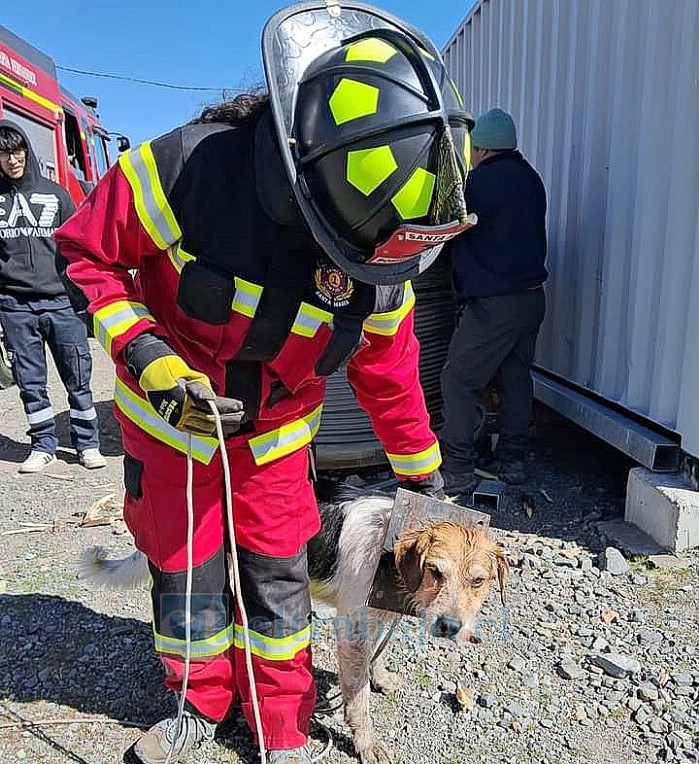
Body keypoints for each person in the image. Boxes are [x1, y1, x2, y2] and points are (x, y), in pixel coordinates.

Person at [54, 5, 474, 763]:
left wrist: (425, 480)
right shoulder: (187, 169)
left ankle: (281, 730)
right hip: (170, 426)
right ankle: (196, 703)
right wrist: (146, 353)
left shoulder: (383, 258)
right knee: (184, 573)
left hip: (276, 441)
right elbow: (87, 255)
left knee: (280, 584)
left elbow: (389, 376)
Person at [440, 108, 548, 494]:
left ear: (481, 148)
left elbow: (449, 226)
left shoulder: (482, 182)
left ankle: (458, 469)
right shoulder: (531, 180)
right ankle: (513, 462)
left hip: (494, 305)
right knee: (516, 378)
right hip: (532, 299)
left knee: (457, 380)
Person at [0, 121, 105, 473]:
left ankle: (87, 443)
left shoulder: (56, 194)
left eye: (17, 151)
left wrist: (84, 301)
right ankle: (43, 445)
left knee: (77, 375)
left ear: (27, 152)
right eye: (3, 153)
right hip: (14, 306)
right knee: (30, 380)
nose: (11, 160)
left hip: (62, 303)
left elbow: (76, 248)